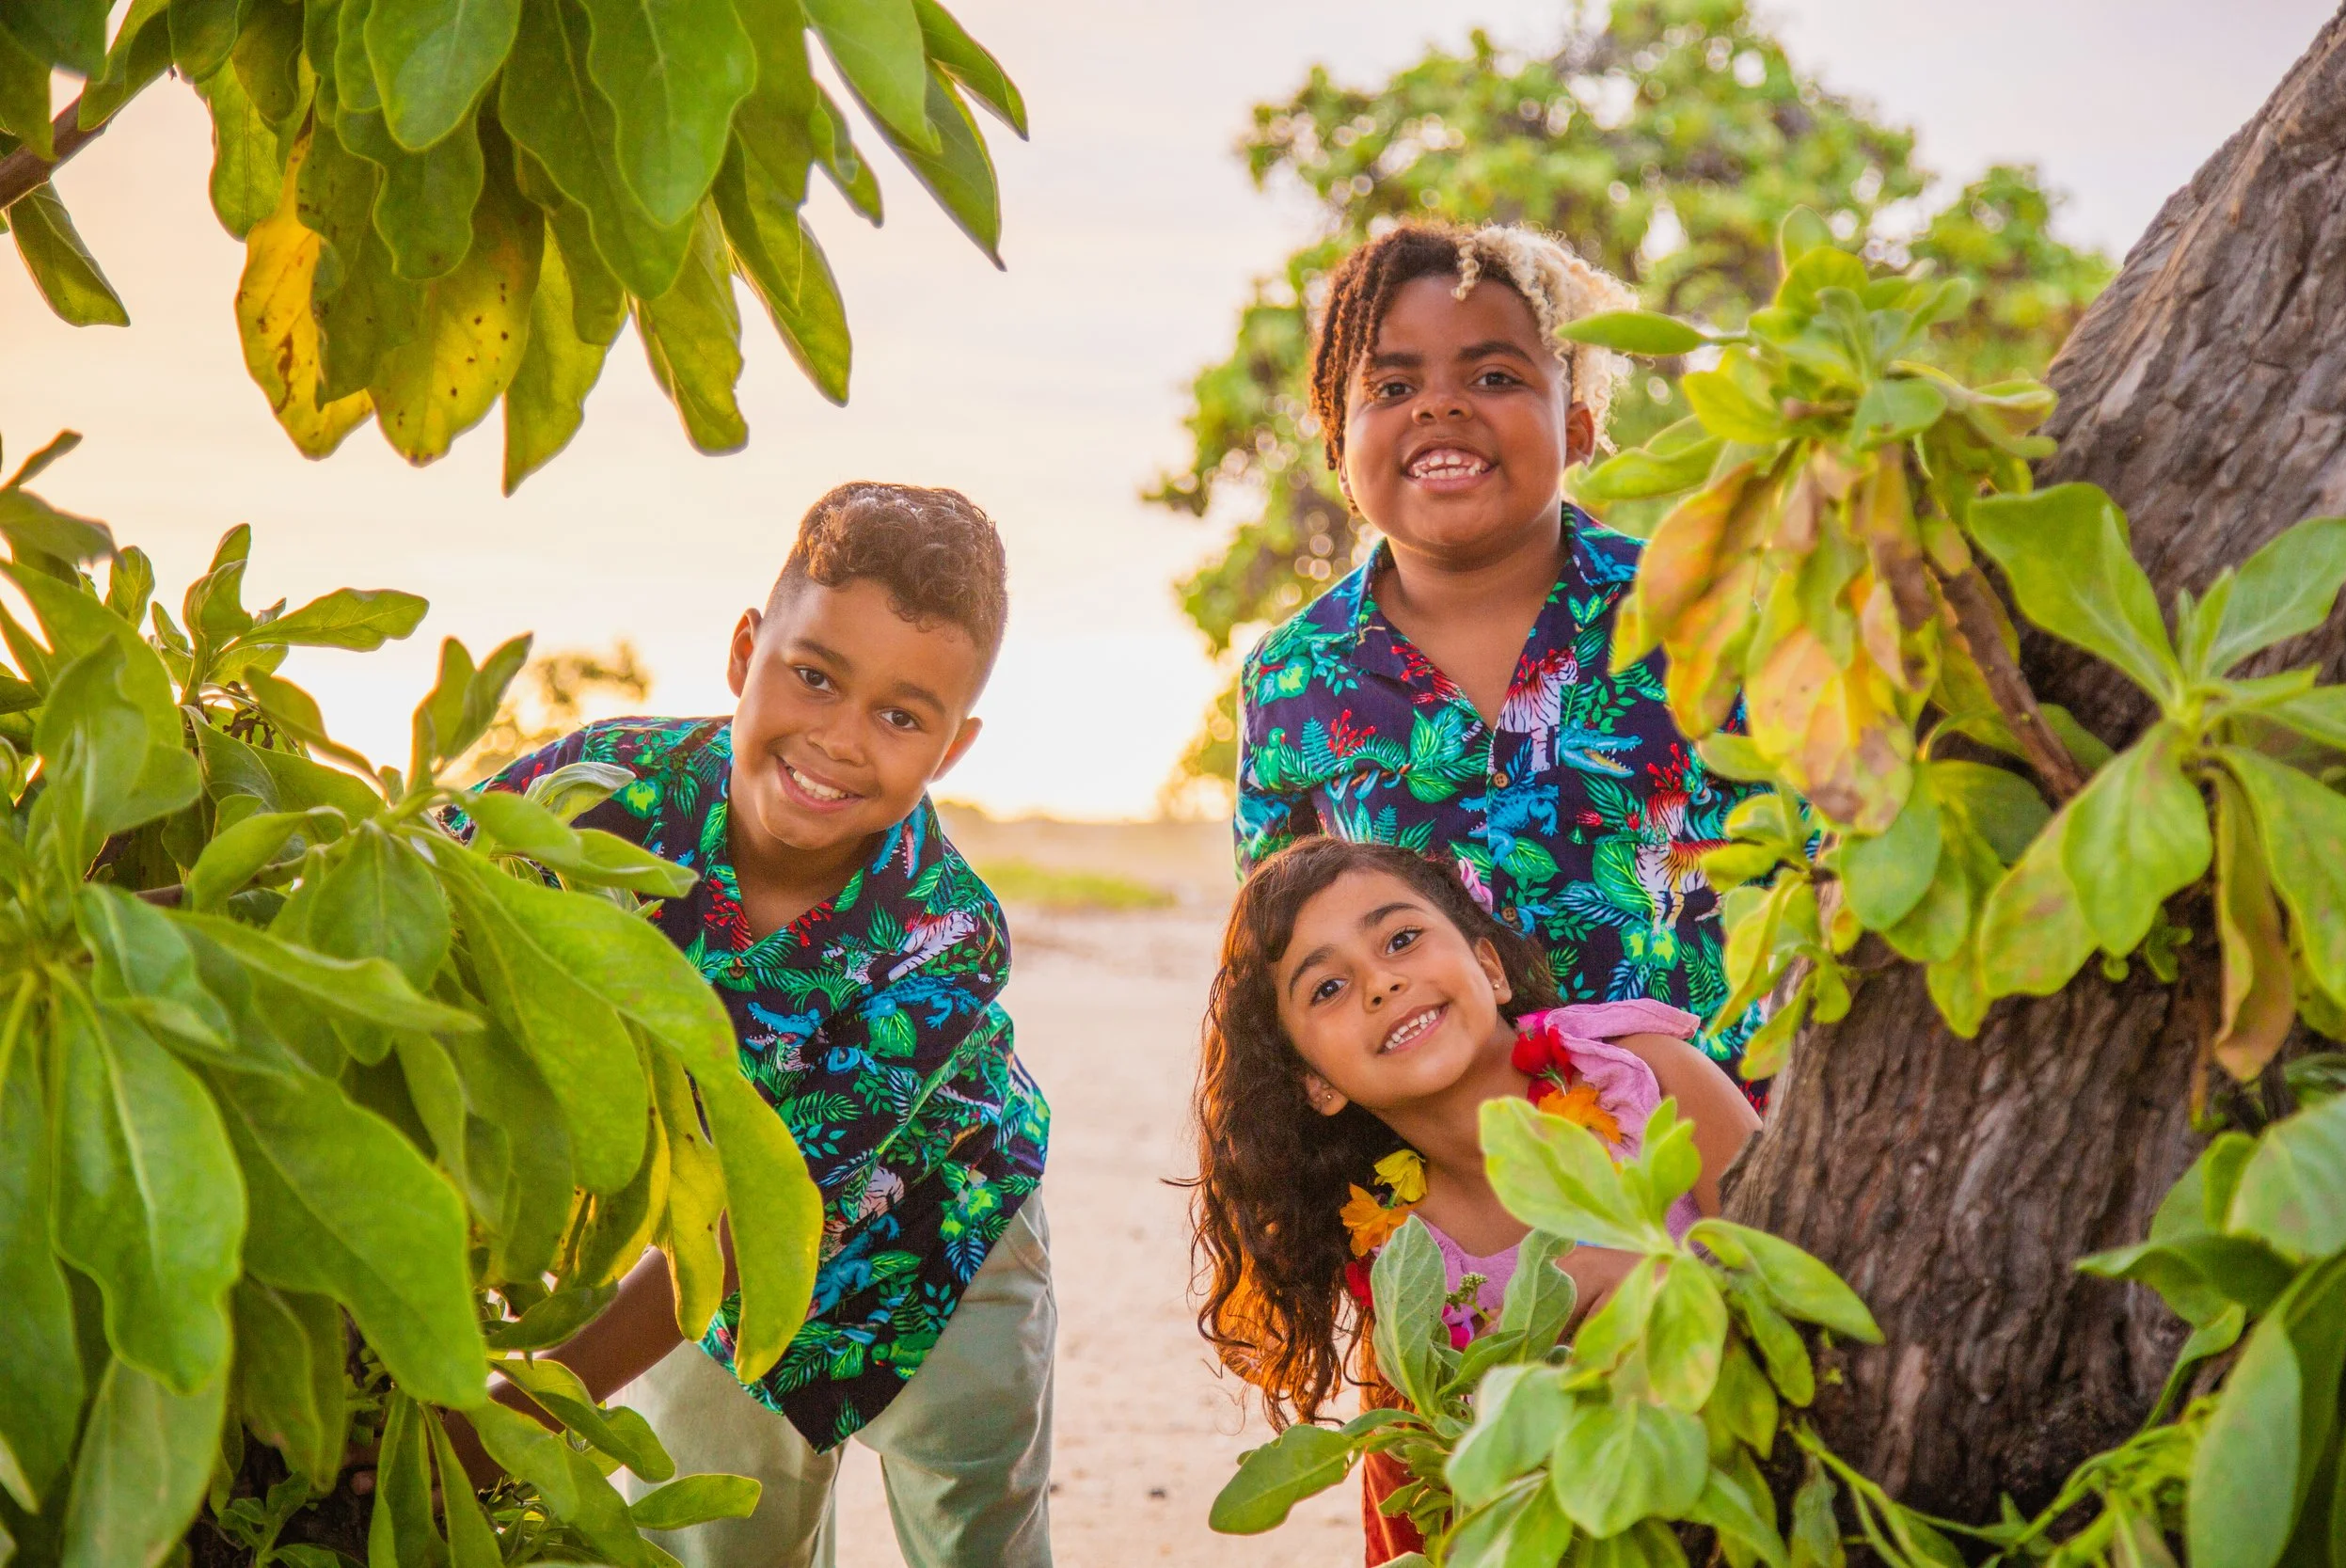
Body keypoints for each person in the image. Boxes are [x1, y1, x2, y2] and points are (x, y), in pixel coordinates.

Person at [454, 483, 1054, 1568]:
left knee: (978, 1532)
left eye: (901, 714)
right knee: (715, 1545)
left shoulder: (946, 931)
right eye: (814, 675)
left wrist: (525, 1412)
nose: (836, 737)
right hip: (681, 1265)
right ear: (745, 649)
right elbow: (416, 897)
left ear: (951, 748)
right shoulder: (599, 789)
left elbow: (761, 1215)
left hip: (940, 1236)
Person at [1232, 220, 1769, 1100]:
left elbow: (1810, 859)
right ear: (1338, 443)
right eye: (1393, 384)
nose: (1439, 407)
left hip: (1713, 1154)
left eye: (1494, 376)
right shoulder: (1292, 680)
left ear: (1581, 425)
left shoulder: (1695, 607)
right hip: (1442, 1181)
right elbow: (1277, 948)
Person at [1189, 836, 1760, 1564]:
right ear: (1316, 1083)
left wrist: (1671, 1288)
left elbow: (1807, 1264)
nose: (1380, 983)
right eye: (1326, 988)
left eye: (1401, 938)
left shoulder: (1647, 1076)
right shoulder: (1407, 1274)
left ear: (1488, 967)